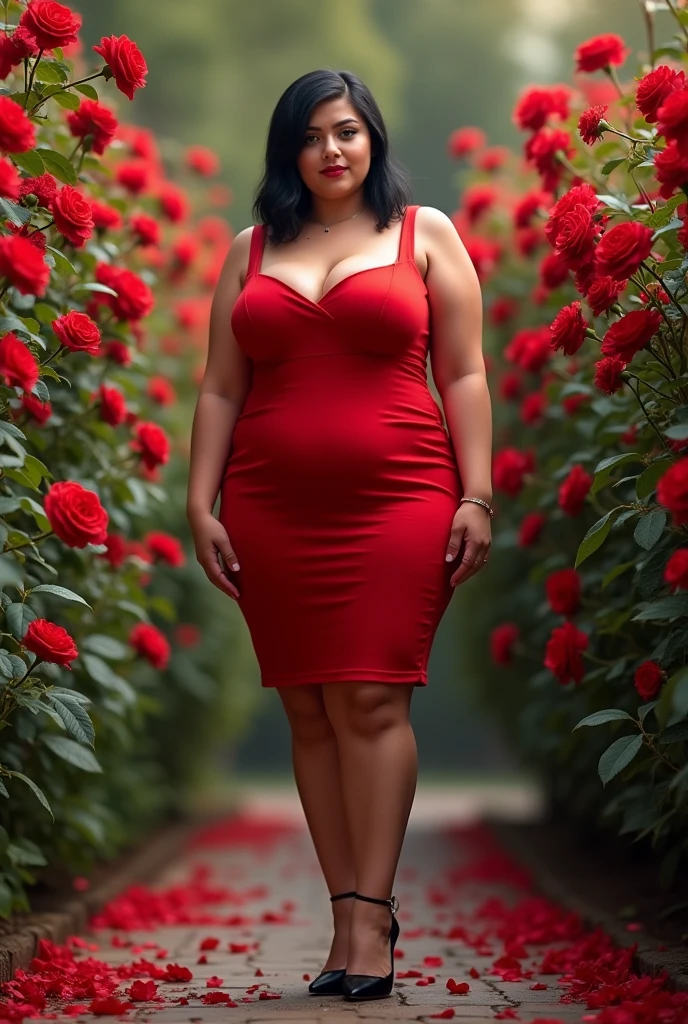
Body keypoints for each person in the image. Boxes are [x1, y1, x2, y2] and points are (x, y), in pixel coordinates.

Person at [186, 68, 493, 1002]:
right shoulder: (249, 250)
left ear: (374, 141)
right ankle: (341, 916)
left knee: (370, 701)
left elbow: (467, 374)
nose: (333, 149)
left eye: (349, 131)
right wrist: (201, 504)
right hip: (271, 507)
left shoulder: (424, 234)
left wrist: (476, 494)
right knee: (310, 711)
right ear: (290, 149)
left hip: (402, 498)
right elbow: (219, 388)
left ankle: (373, 919)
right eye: (315, 134)